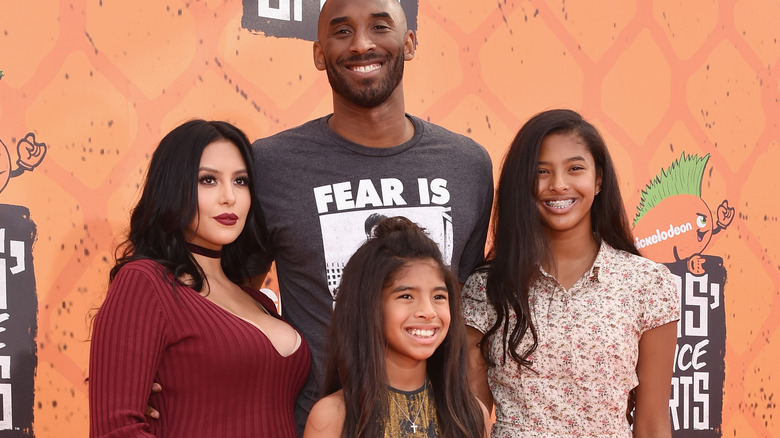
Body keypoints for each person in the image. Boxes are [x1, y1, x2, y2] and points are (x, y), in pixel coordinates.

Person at [250, 0, 494, 431]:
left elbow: (467, 307)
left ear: (410, 42)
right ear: (319, 53)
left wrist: (466, 412)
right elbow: (233, 296)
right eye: (342, 32)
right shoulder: (270, 166)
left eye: (380, 27)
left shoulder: (467, 164)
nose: (362, 44)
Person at [463, 109, 680, 437]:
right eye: (541, 171)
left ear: (598, 179)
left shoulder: (647, 284)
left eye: (575, 168)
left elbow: (652, 424)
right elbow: (470, 419)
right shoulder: (487, 287)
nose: (559, 185)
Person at [89, 120, 310, 437]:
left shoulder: (257, 299)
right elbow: (116, 430)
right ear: (172, 187)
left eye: (241, 181)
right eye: (208, 180)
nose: (229, 197)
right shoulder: (145, 282)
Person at [303, 217, 490, 437]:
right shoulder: (334, 416)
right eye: (406, 296)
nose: (428, 311)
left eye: (439, 296)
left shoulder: (472, 414)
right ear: (368, 306)